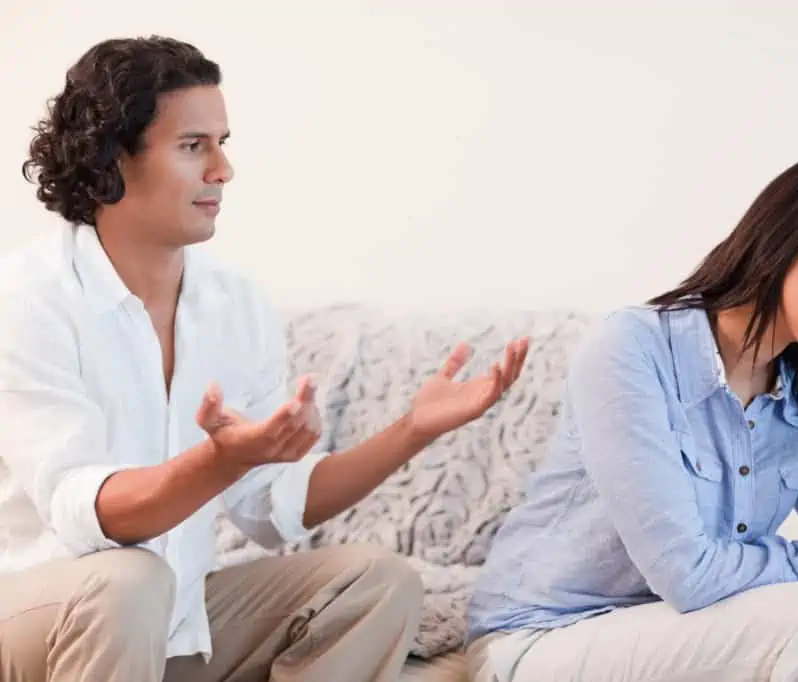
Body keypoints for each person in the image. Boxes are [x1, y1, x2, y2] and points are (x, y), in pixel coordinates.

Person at [0, 35, 529, 682]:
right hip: (43, 623)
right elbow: (90, 517)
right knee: (129, 580)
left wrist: (413, 430)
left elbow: (271, 509)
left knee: (375, 581)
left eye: (222, 143)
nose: (223, 169)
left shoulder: (236, 305)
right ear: (112, 159)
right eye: (193, 146)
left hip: (174, 626)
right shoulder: (28, 298)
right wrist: (221, 459)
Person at [465, 151, 798, 681]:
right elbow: (687, 572)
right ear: (792, 231)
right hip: (544, 636)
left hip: (689, 627)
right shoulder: (632, 348)